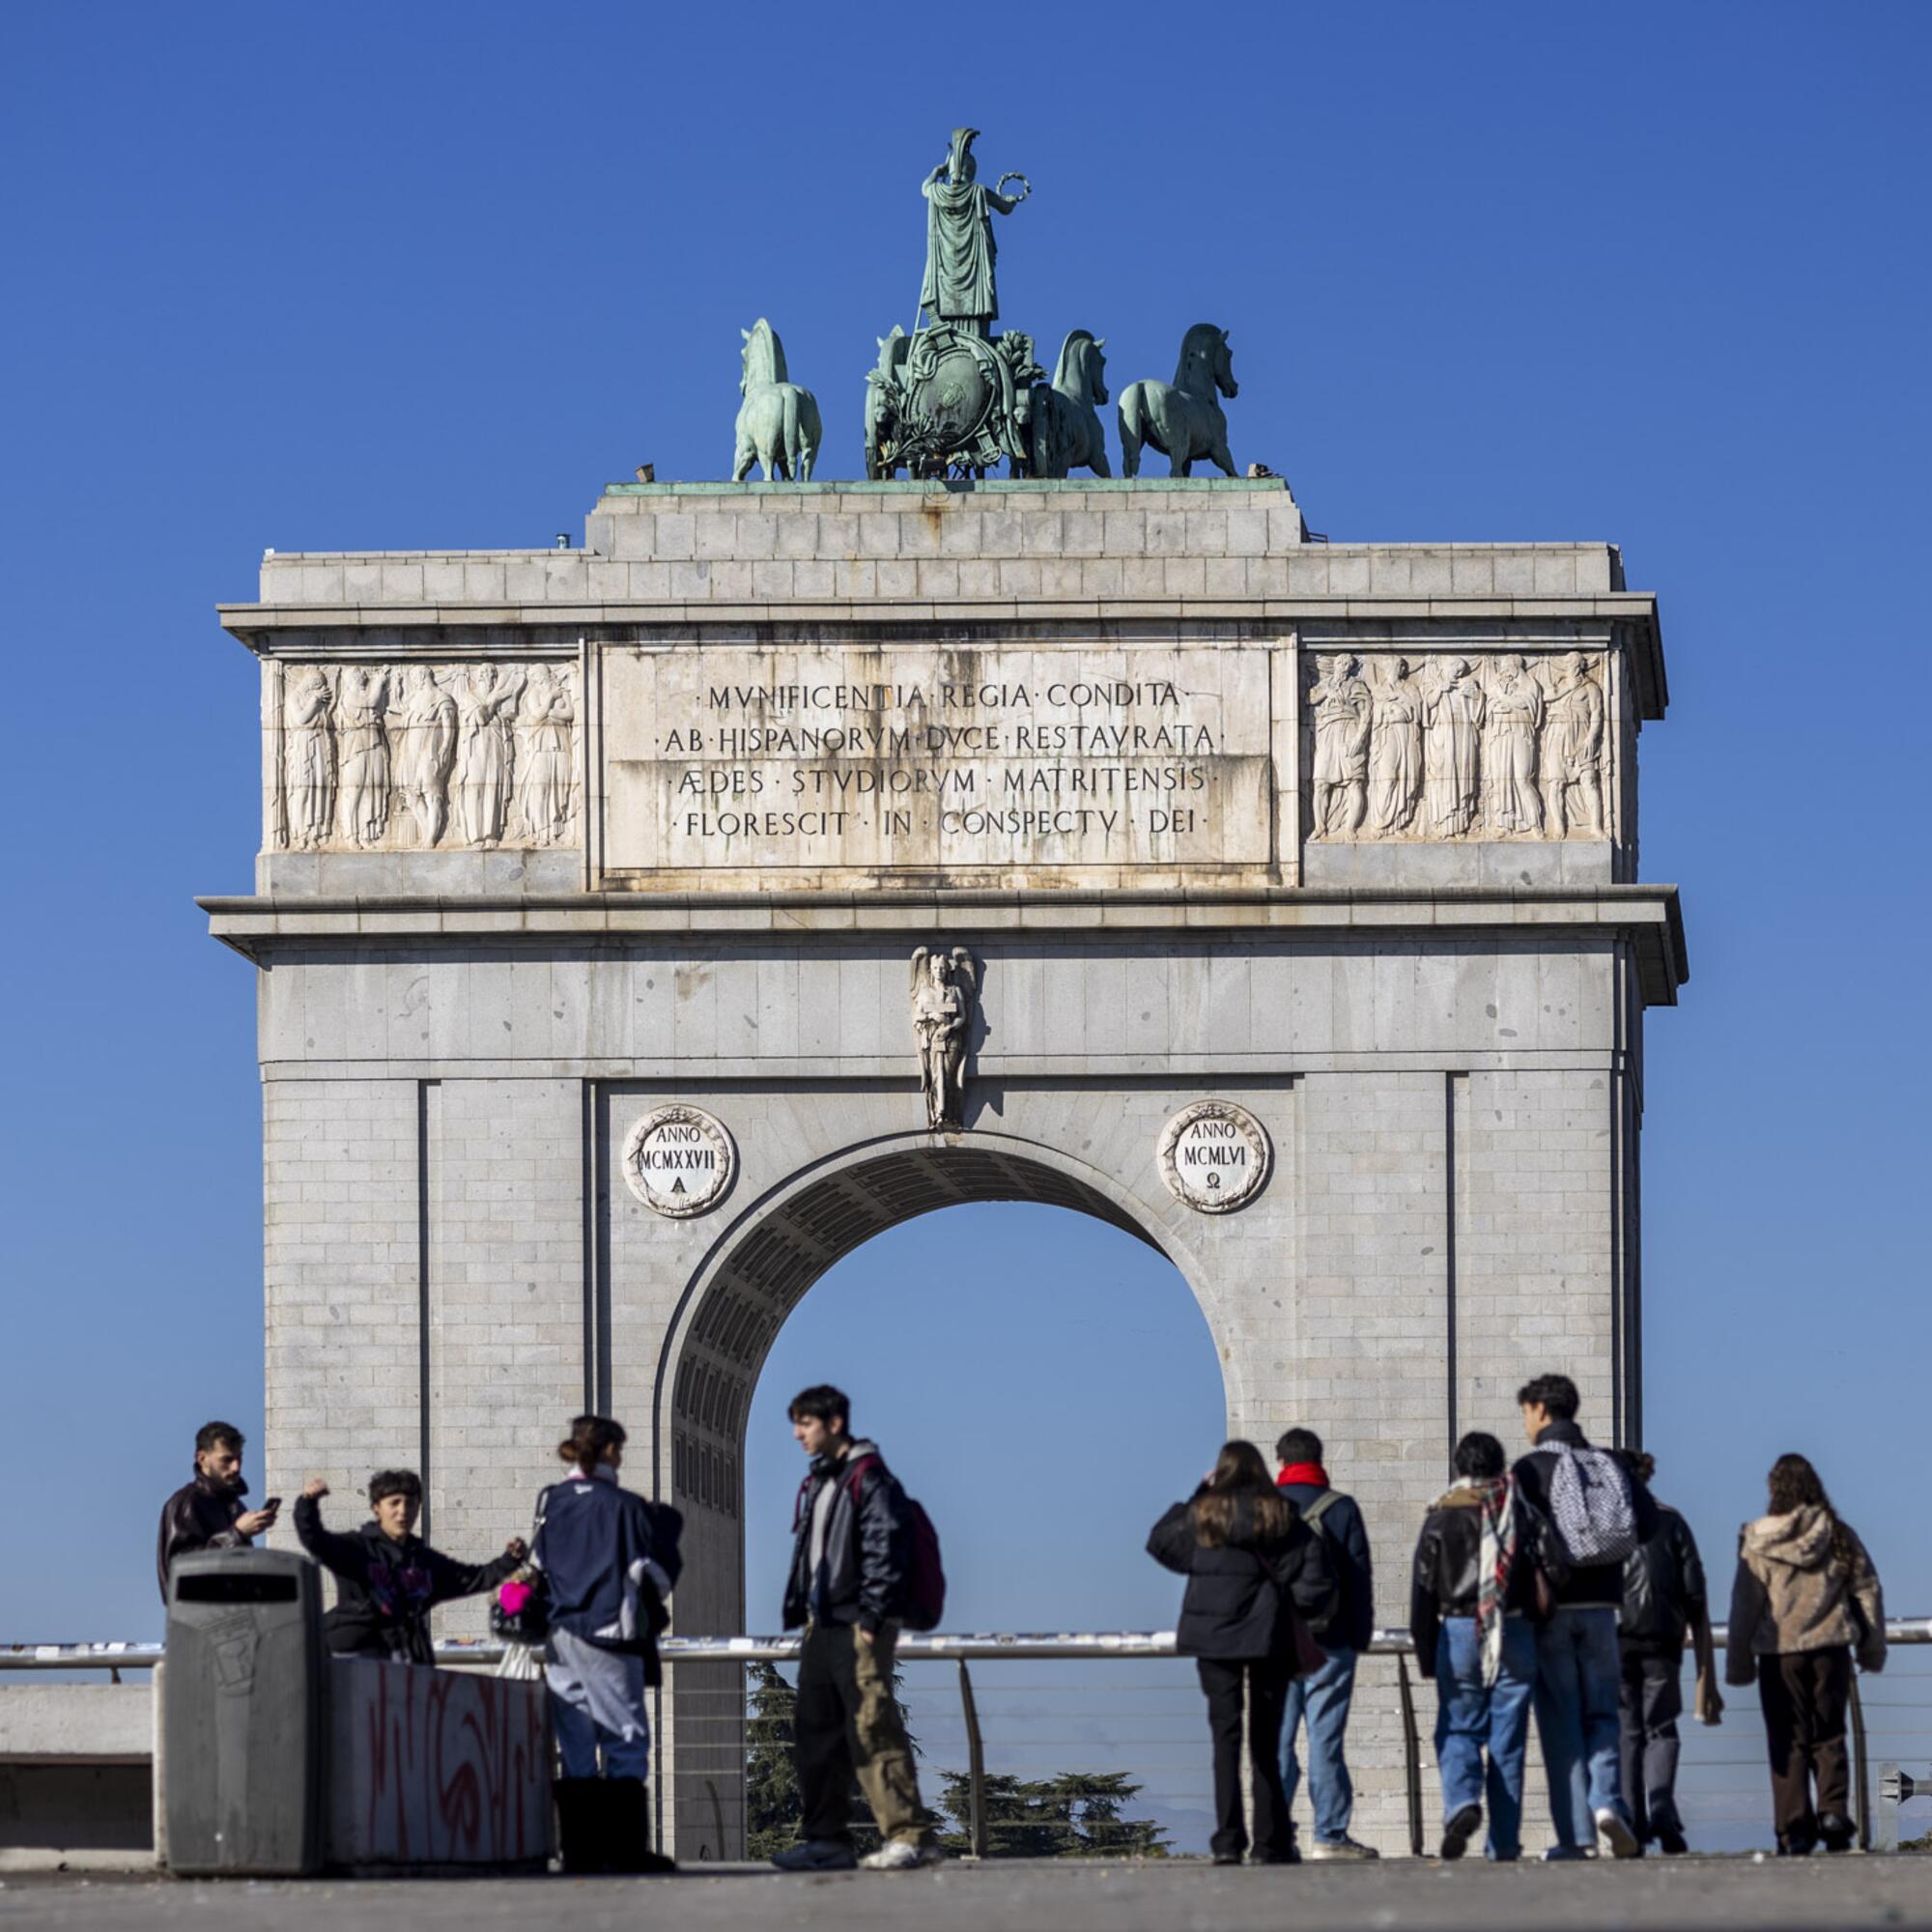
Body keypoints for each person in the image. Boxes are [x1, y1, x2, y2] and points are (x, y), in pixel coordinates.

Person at [772, 1385, 942, 1873]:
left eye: (805, 1423)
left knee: (872, 1727)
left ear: (835, 1423)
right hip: (821, 1627)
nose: (797, 1434)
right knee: (815, 1733)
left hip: (856, 1624)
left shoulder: (870, 1480)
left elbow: (886, 1547)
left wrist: (871, 1618)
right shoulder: (822, 1481)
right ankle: (826, 1840)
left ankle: (909, 1835)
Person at [1150, 1441, 1338, 1865]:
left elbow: (1161, 1544)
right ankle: (1271, 1842)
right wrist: (1304, 1614)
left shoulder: (1205, 1517)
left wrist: (1198, 1495)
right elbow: (1315, 1575)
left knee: (1225, 1740)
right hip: (1267, 1639)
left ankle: (1228, 1841)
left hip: (1213, 1641)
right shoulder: (1280, 1515)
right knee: (1266, 1744)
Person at [529, 1414, 681, 1875]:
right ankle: (625, 1848)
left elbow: (538, 1563)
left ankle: (578, 1850)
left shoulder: (551, 1502)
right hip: (610, 1633)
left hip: (559, 1635)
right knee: (625, 1739)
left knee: (575, 1745)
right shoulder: (626, 1506)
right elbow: (651, 1574)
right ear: (612, 1451)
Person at [1410, 1432, 1568, 1861]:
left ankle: (1462, 1801)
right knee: (1508, 1740)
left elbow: (1423, 1591)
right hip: (1513, 1631)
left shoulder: (1440, 1516)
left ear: (1459, 1466)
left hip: (1458, 1631)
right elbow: (1554, 1567)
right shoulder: (1519, 1508)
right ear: (1501, 1466)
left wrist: (1426, 1651)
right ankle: (1503, 1843)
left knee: (1457, 1726)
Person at [1510, 1373, 1646, 1859]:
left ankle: (1577, 1838)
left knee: (1560, 1722)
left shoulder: (1528, 1470)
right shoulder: (1607, 1463)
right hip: (1603, 1610)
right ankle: (1608, 1802)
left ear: (1542, 1410)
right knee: (1603, 1714)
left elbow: (1514, 1541)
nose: (1525, 1422)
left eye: (1525, 1412)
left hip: (1551, 1613)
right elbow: (1644, 1524)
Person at [1726, 1453, 1887, 1855]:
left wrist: (1738, 1661)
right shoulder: (1836, 1533)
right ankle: (1832, 1813)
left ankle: (1793, 1826)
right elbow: (1866, 1589)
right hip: (1830, 1647)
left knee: (1787, 1740)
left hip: (1779, 1651)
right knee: (1830, 1734)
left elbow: (1745, 1603)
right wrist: (1871, 1645)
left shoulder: (1757, 1539)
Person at [292, 1470, 526, 1664]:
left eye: (410, 1503)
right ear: (376, 1508)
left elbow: (473, 1578)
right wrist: (308, 1504)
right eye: (394, 1503)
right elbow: (315, 1540)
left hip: (408, 1661)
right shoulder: (357, 1549)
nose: (403, 1512)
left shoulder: (424, 1561)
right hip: (360, 1657)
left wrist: (509, 1560)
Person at [1274, 1427, 1379, 1860]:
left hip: (1274, 1644)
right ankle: (1329, 1836)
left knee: (1276, 1743)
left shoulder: (1266, 1508)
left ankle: (1274, 1834)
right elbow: (1359, 1579)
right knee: (1325, 1742)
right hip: (1330, 1643)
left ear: (1281, 1461)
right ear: (1319, 1460)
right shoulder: (1342, 1509)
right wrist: (1359, 1638)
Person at [1611, 1449, 1708, 1856]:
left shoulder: (1606, 1526)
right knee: (1662, 1728)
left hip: (1617, 1639)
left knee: (1627, 1732)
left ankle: (1631, 1821)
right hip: (1664, 1639)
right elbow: (1694, 1585)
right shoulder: (1672, 1520)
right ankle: (1663, 1810)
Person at [156, 1421, 279, 1603]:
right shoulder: (186, 1503)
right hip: (202, 1622)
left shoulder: (236, 1506)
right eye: (227, 1460)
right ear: (202, 1459)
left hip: (236, 1618)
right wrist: (236, 1534)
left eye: (239, 1458)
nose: (236, 1467)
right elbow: (181, 1573)